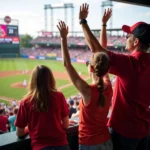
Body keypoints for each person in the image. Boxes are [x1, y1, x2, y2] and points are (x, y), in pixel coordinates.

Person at [79, 3, 150, 150]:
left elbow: (97, 51)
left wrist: (83, 22)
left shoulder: (130, 63)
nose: (126, 38)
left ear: (136, 41)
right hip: (145, 131)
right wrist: (104, 25)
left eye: (128, 35)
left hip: (124, 132)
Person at [57, 8, 113, 150]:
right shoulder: (108, 86)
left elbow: (67, 64)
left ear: (91, 69)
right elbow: (102, 52)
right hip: (107, 141)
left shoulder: (88, 91)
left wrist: (63, 38)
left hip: (89, 144)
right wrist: (103, 25)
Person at [15, 65, 70, 150]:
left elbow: (19, 133)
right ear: (50, 79)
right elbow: (66, 125)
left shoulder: (25, 102)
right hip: (62, 145)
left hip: (40, 147)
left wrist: (31, 129)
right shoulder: (59, 96)